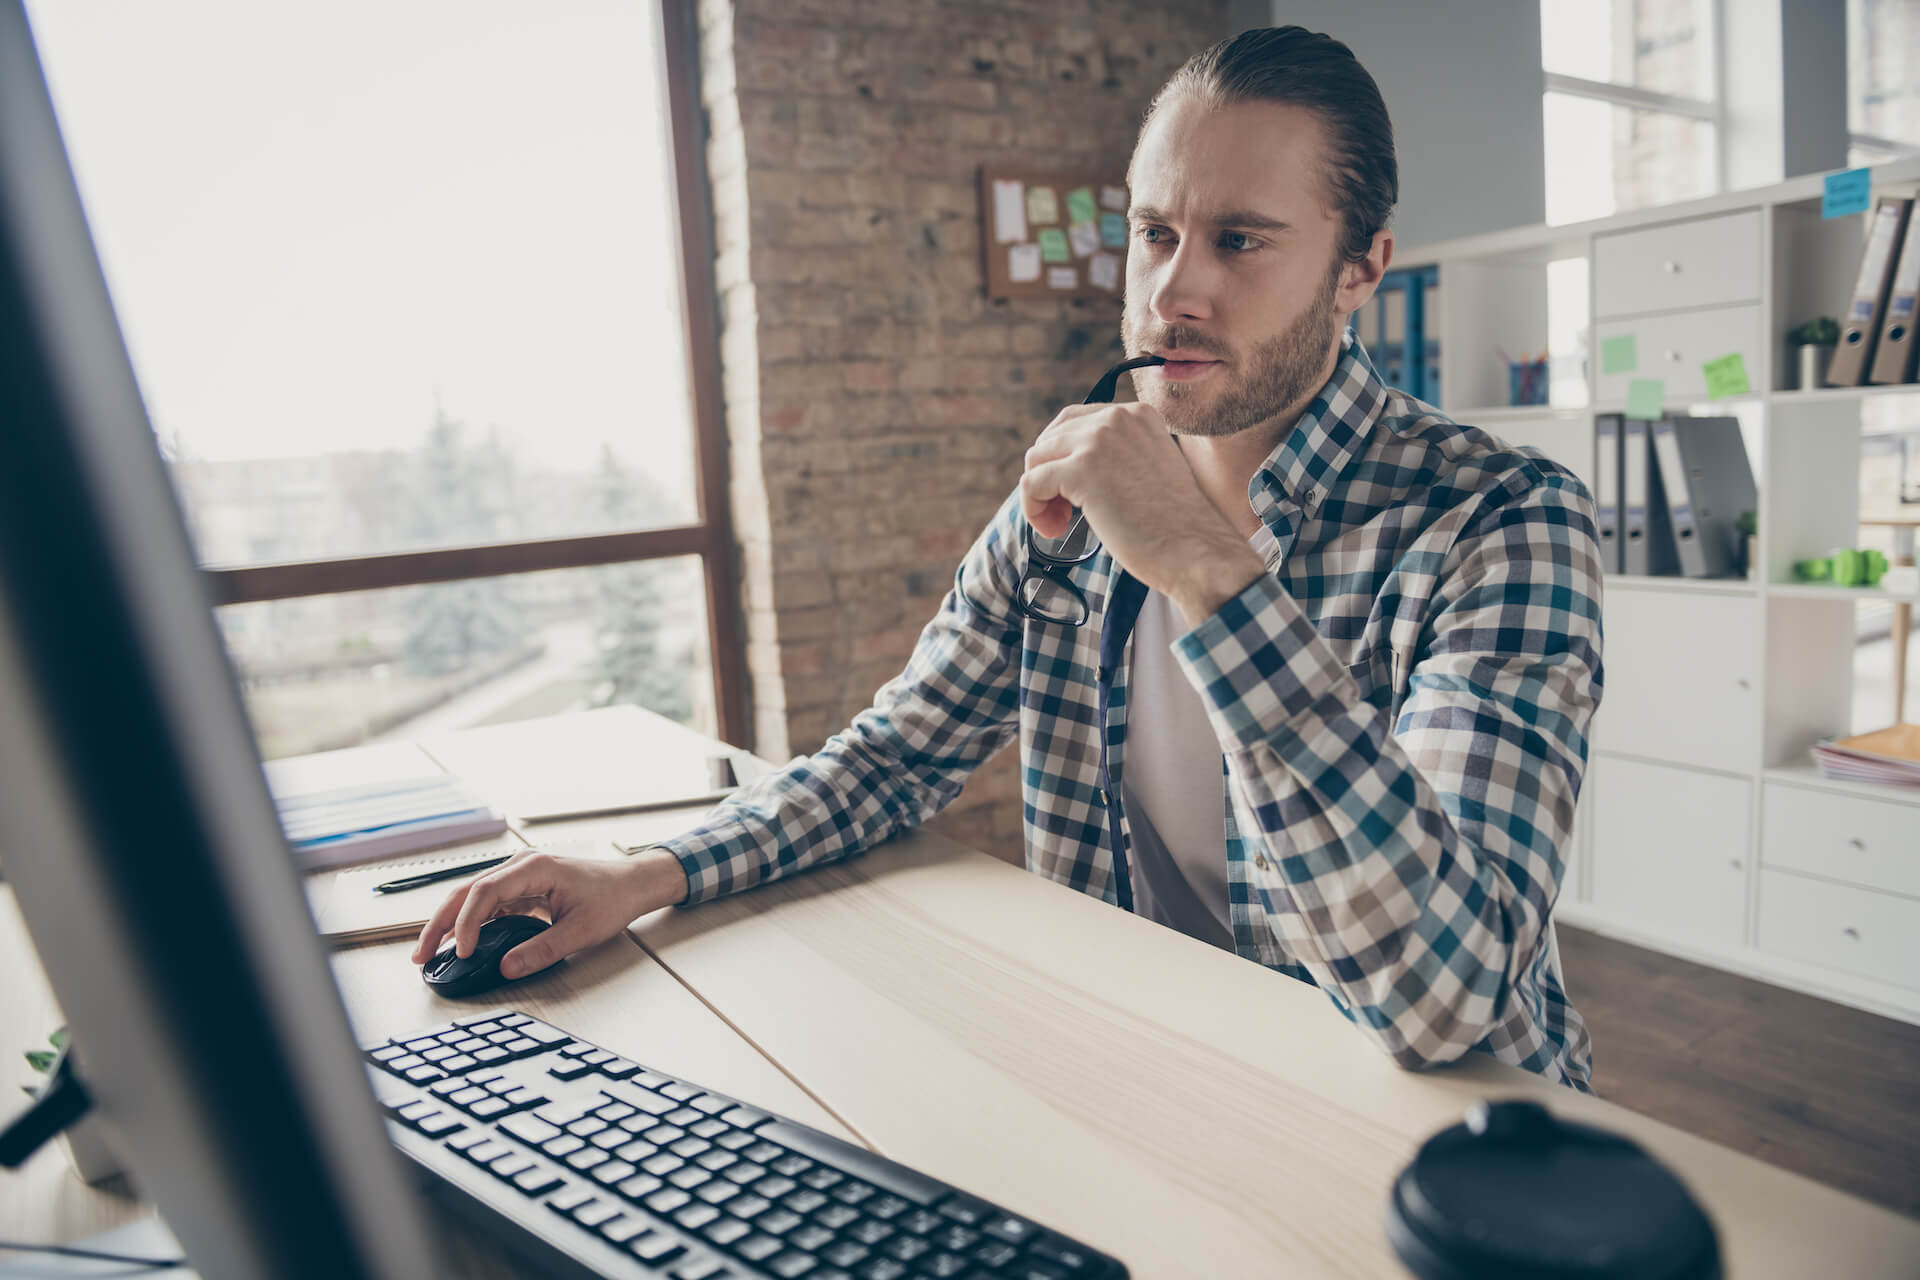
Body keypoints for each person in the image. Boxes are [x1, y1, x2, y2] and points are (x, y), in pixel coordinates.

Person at [415, 26, 1602, 1090]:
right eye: (1155, 234)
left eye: (1241, 241)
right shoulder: (1077, 499)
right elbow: (895, 761)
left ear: (1361, 268)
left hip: (1455, 1134)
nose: (1174, 292)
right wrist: (647, 871)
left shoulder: (1501, 521)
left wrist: (1205, 567)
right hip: (1169, 1077)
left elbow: (1448, 997)